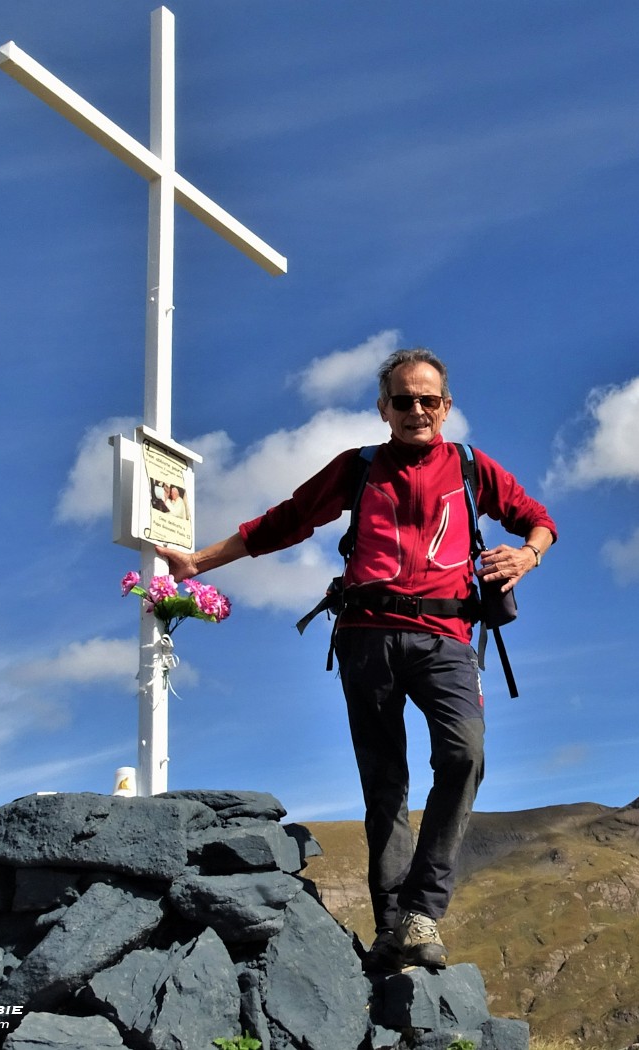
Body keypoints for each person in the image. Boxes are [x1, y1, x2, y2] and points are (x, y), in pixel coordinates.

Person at [157, 347, 556, 971]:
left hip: (448, 638)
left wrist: (527, 556)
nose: (417, 410)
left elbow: (539, 520)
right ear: (383, 408)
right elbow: (286, 521)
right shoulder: (358, 468)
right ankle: (397, 929)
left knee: (464, 754)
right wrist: (198, 563)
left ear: (447, 407)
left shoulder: (474, 468)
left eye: (429, 400)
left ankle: (424, 910)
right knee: (385, 785)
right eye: (404, 400)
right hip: (366, 636)